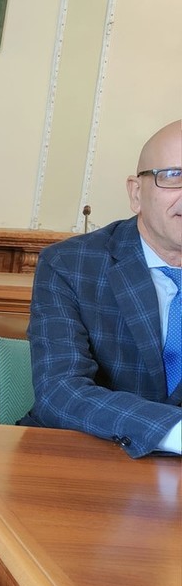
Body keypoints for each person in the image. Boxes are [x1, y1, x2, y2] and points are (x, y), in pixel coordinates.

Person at [22, 119, 182, 456]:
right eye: (173, 175)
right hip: (83, 454)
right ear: (136, 193)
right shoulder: (69, 263)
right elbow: (60, 391)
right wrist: (173, 431)